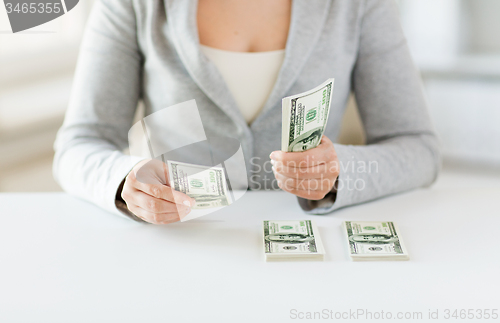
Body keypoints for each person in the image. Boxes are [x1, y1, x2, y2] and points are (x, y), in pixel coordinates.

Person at [53, 0, 440, 224]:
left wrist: (340, 173)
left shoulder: (359, 4)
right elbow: (79, 144)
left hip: (310, 262)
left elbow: (418, 149)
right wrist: (125, 182)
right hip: (182, 249)